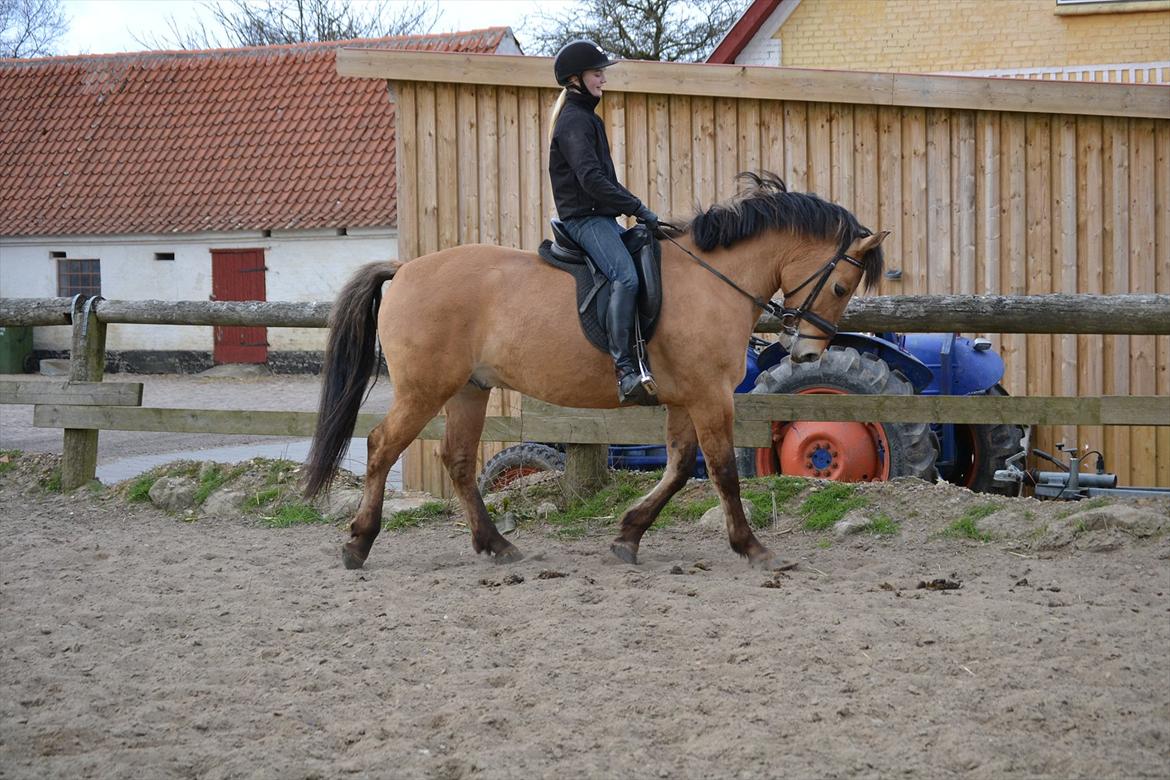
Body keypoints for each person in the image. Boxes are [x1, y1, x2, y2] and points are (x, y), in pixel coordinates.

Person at [548, 39, 659, 405]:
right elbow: (591, 180)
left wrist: (636, 209)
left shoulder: (588, 119)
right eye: (598, 74)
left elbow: (605, 182)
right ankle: (625, 369)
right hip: (585, 220)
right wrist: (636, 206)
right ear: (577, 79)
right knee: (624, 275)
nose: (603, 80)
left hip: (601, 216)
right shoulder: (574, 122)